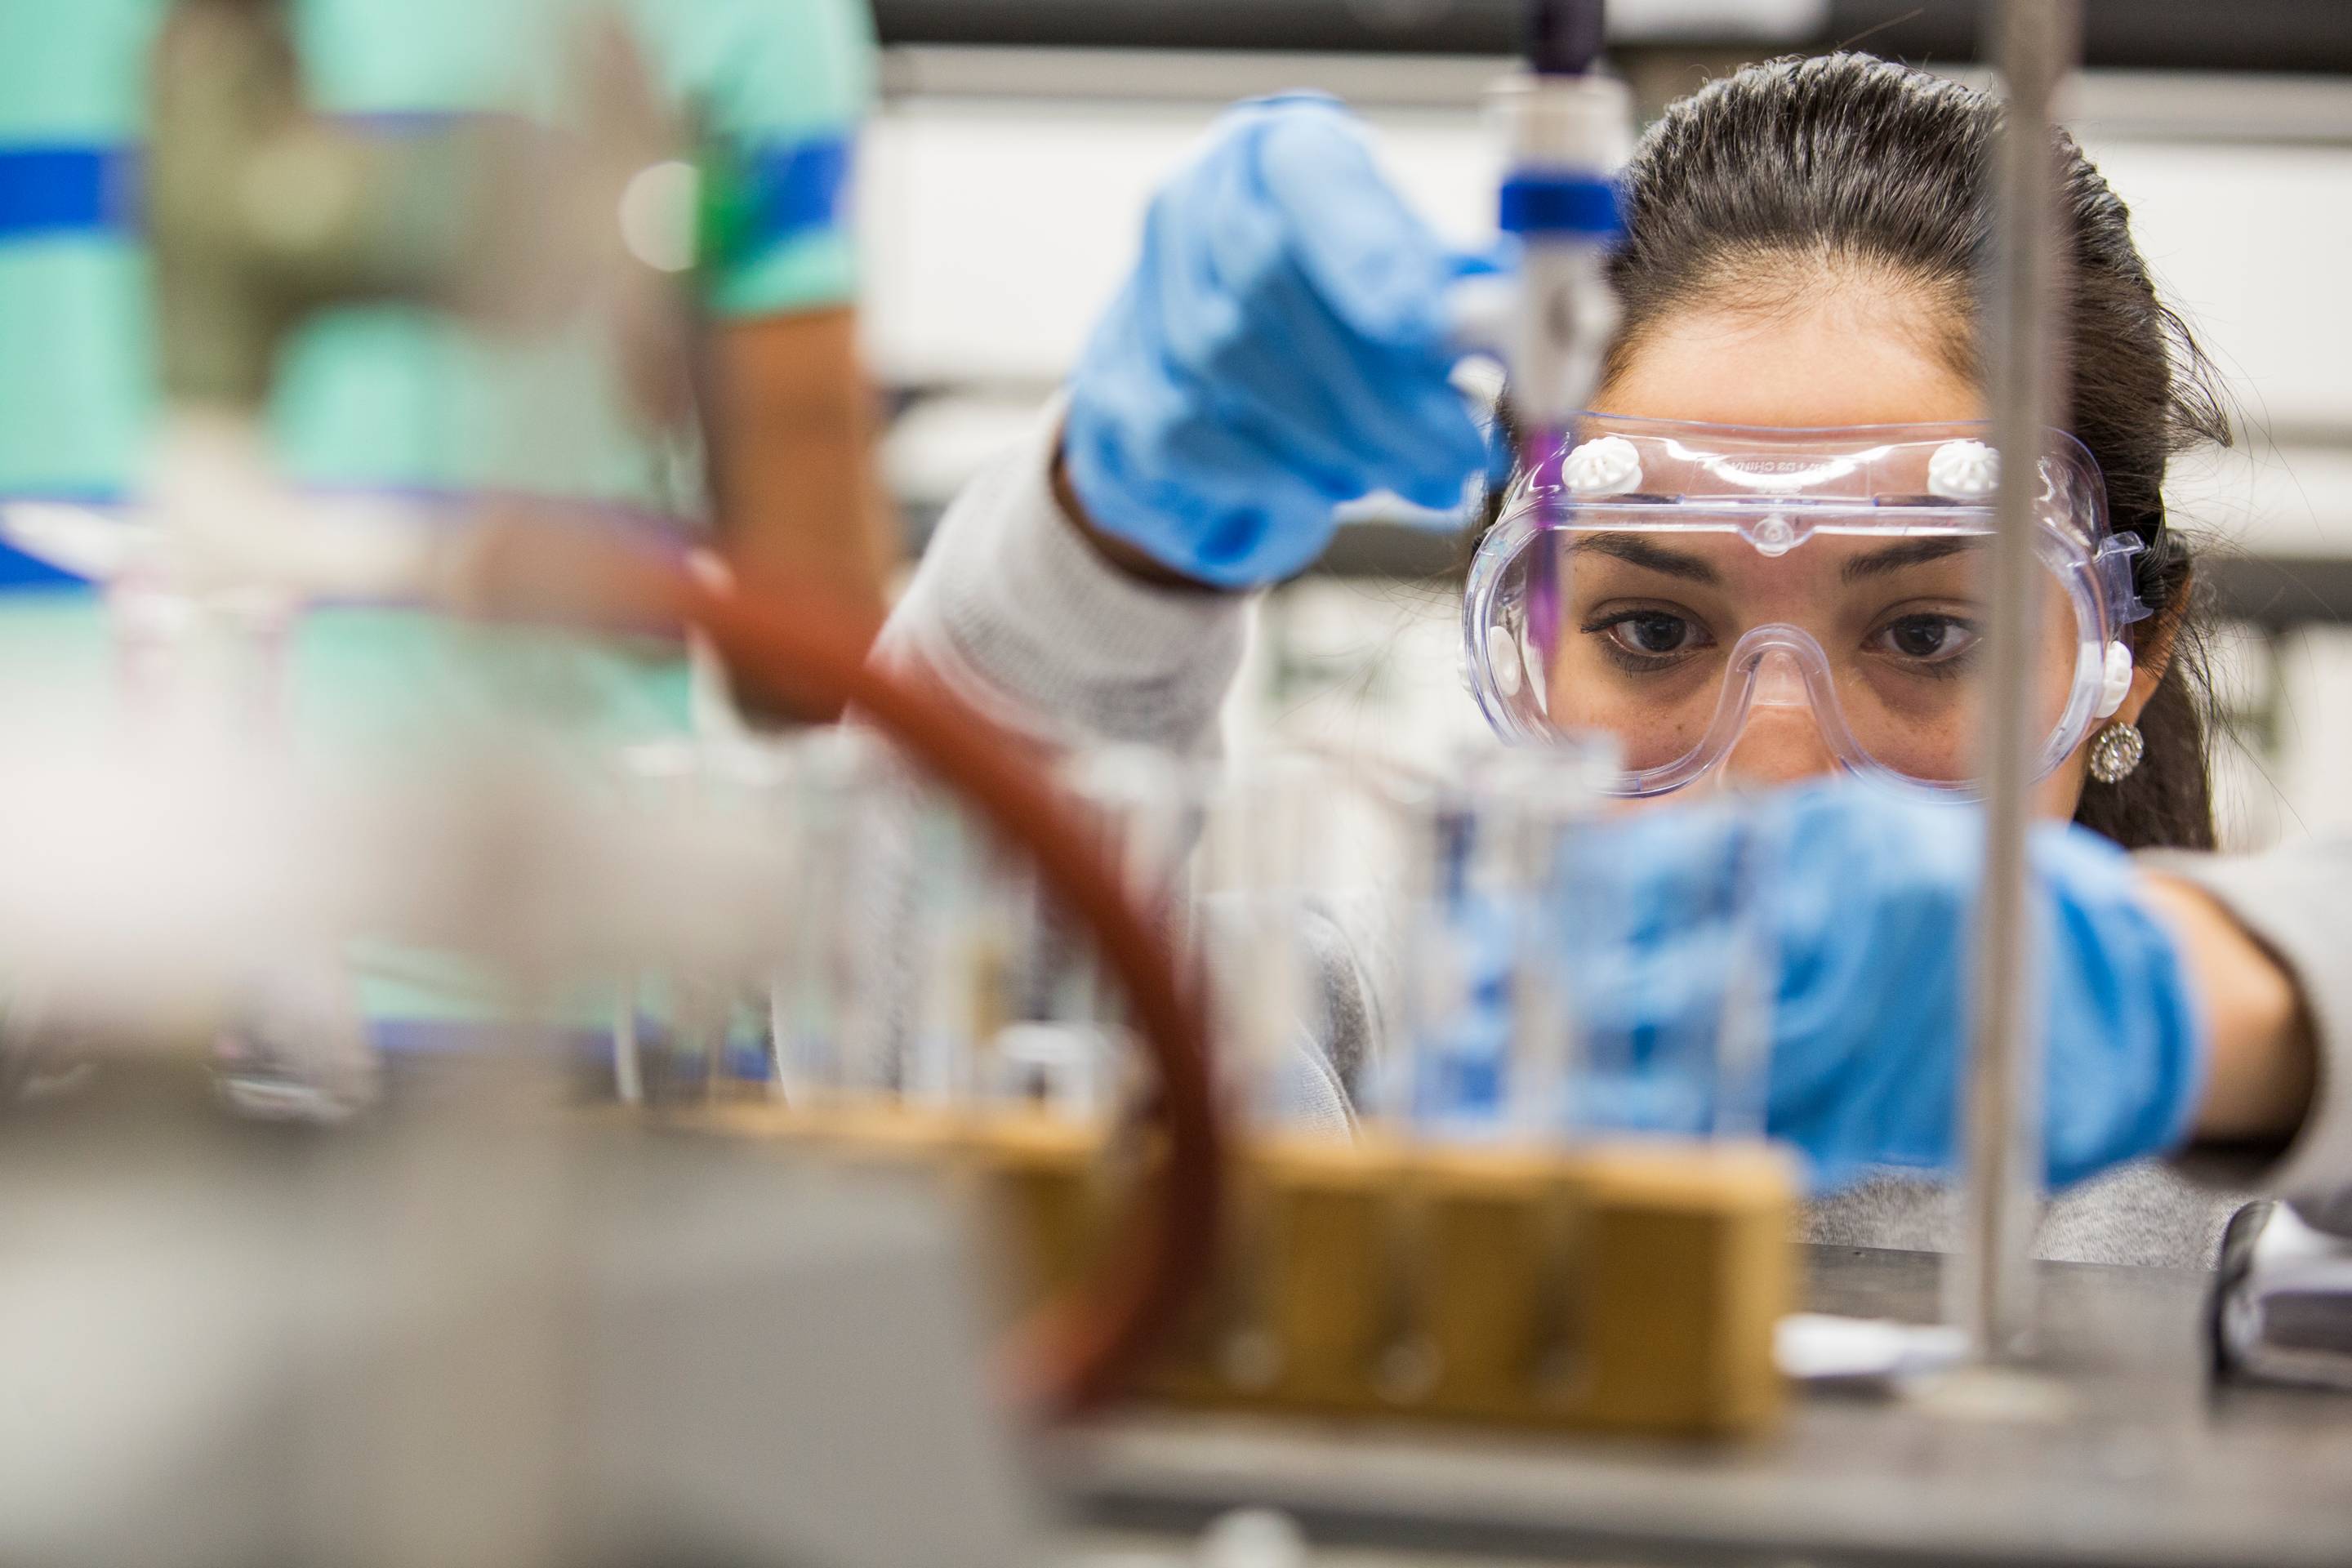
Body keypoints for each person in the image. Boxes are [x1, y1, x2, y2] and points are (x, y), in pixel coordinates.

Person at [877, 56, 2345, 1267]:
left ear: (2125, 660)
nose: (1778, 765)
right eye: (1653, 631)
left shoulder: (2257, 1174)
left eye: (1924, 635)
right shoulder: (1357, 1055)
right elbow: (887, 1037)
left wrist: (2231, 1017)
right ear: (1519, 635)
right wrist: (1102, 552)